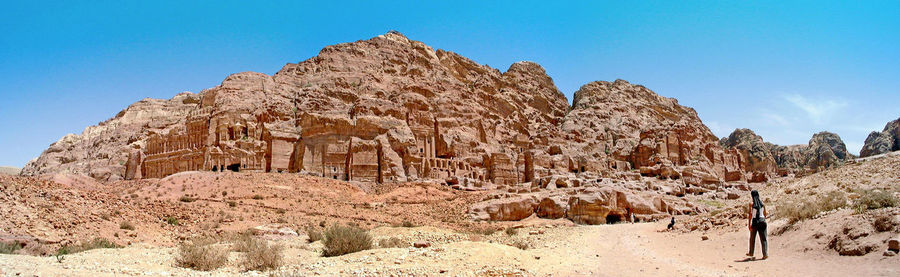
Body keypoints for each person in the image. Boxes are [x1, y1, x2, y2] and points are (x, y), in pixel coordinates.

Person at [747, 190, 768, 260]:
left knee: (752, 238)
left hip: (755, 222)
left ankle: (751, 253)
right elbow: (765, 213)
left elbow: (750, 215)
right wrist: (763, 219)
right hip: (762, 221)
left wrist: (749, 224)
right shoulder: (762, 204)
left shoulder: (751, 204)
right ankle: (765, 254)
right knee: (764, 239)